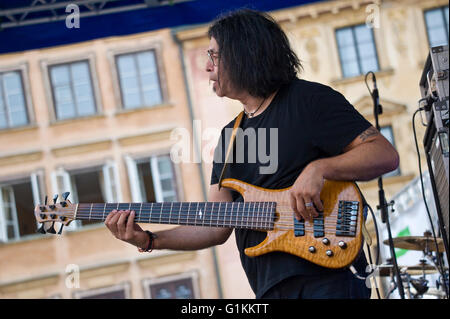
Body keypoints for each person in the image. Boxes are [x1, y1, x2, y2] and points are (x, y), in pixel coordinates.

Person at [105, 9, 399, 299]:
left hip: (327, 277)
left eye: (213, 56)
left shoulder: (309, 101)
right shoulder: (229, 136)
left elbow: (384, 155)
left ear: (243, 54)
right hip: (269, 287)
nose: (207, 67)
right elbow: (216, 226)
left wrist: (319, 169)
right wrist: (149, 239)